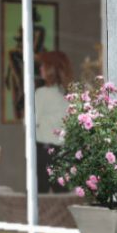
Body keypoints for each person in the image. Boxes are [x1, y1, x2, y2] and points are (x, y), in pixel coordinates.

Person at [31, 50, 73, 194]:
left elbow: (30, 123)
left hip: (43, 151)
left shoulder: (41, 93)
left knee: (38, 195)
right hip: (64, 152)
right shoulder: (68, 94)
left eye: (44, 65)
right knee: (63, 194)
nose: (40, 68)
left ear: (51, 69)